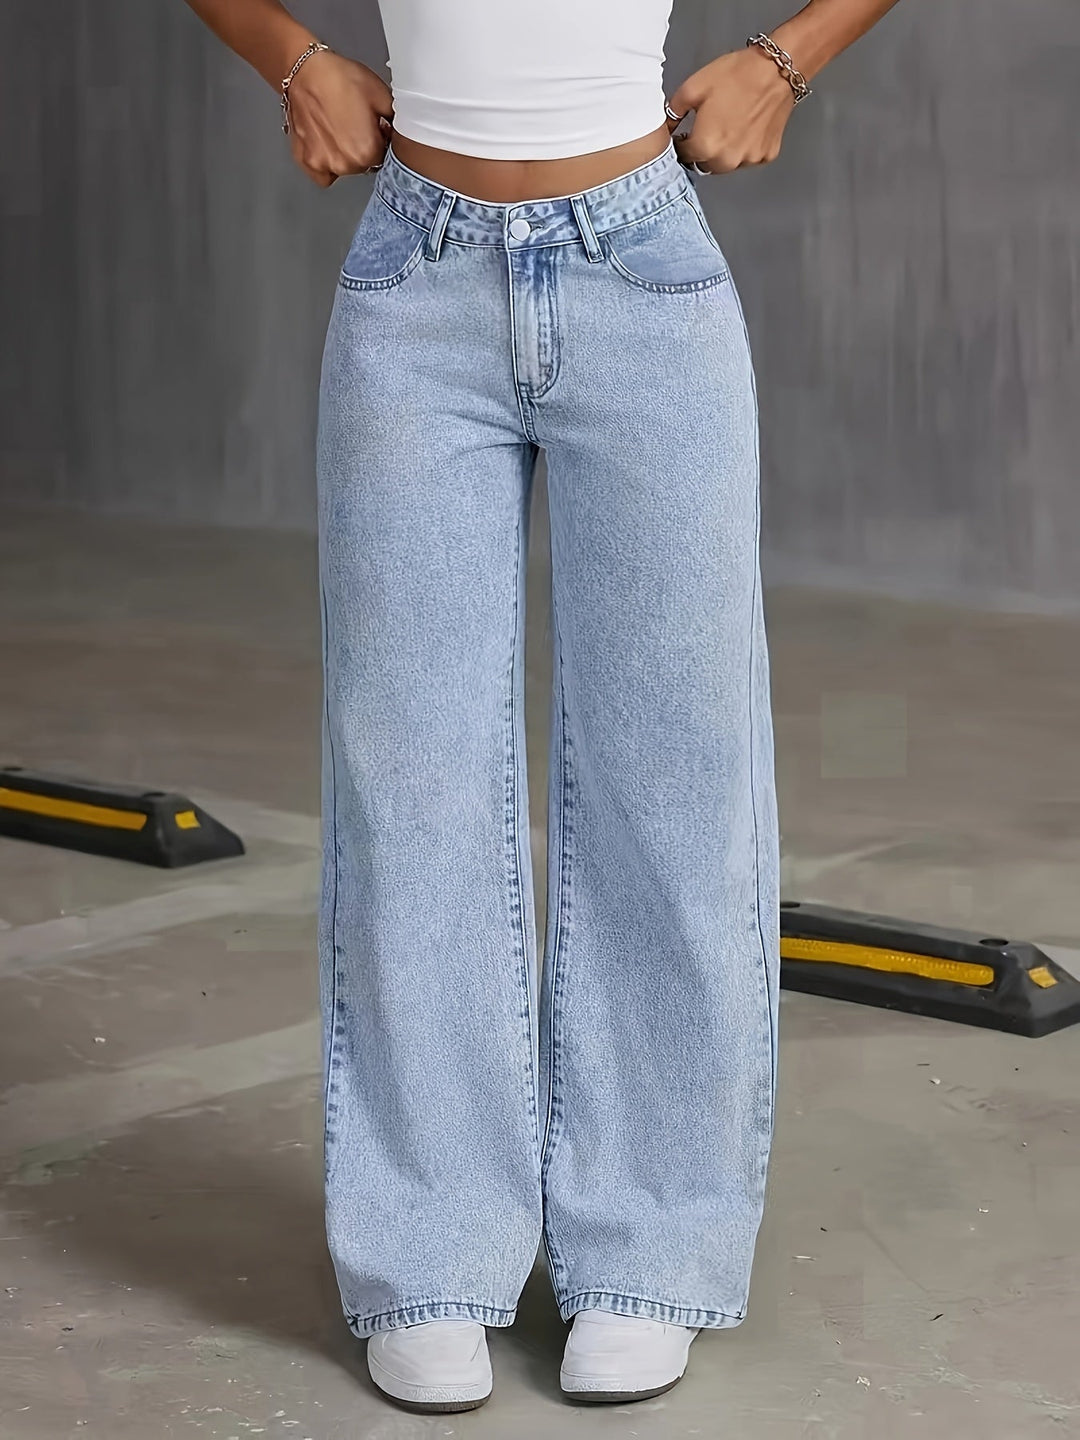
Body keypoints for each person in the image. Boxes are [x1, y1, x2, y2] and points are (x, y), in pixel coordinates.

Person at [185, 0, 900, 1414]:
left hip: (642, 270)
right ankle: (431, 1254)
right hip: (417, 281)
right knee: (411, 784)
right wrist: (291, 57)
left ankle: (646, 1250)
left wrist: (790, 59)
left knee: (674, 782)